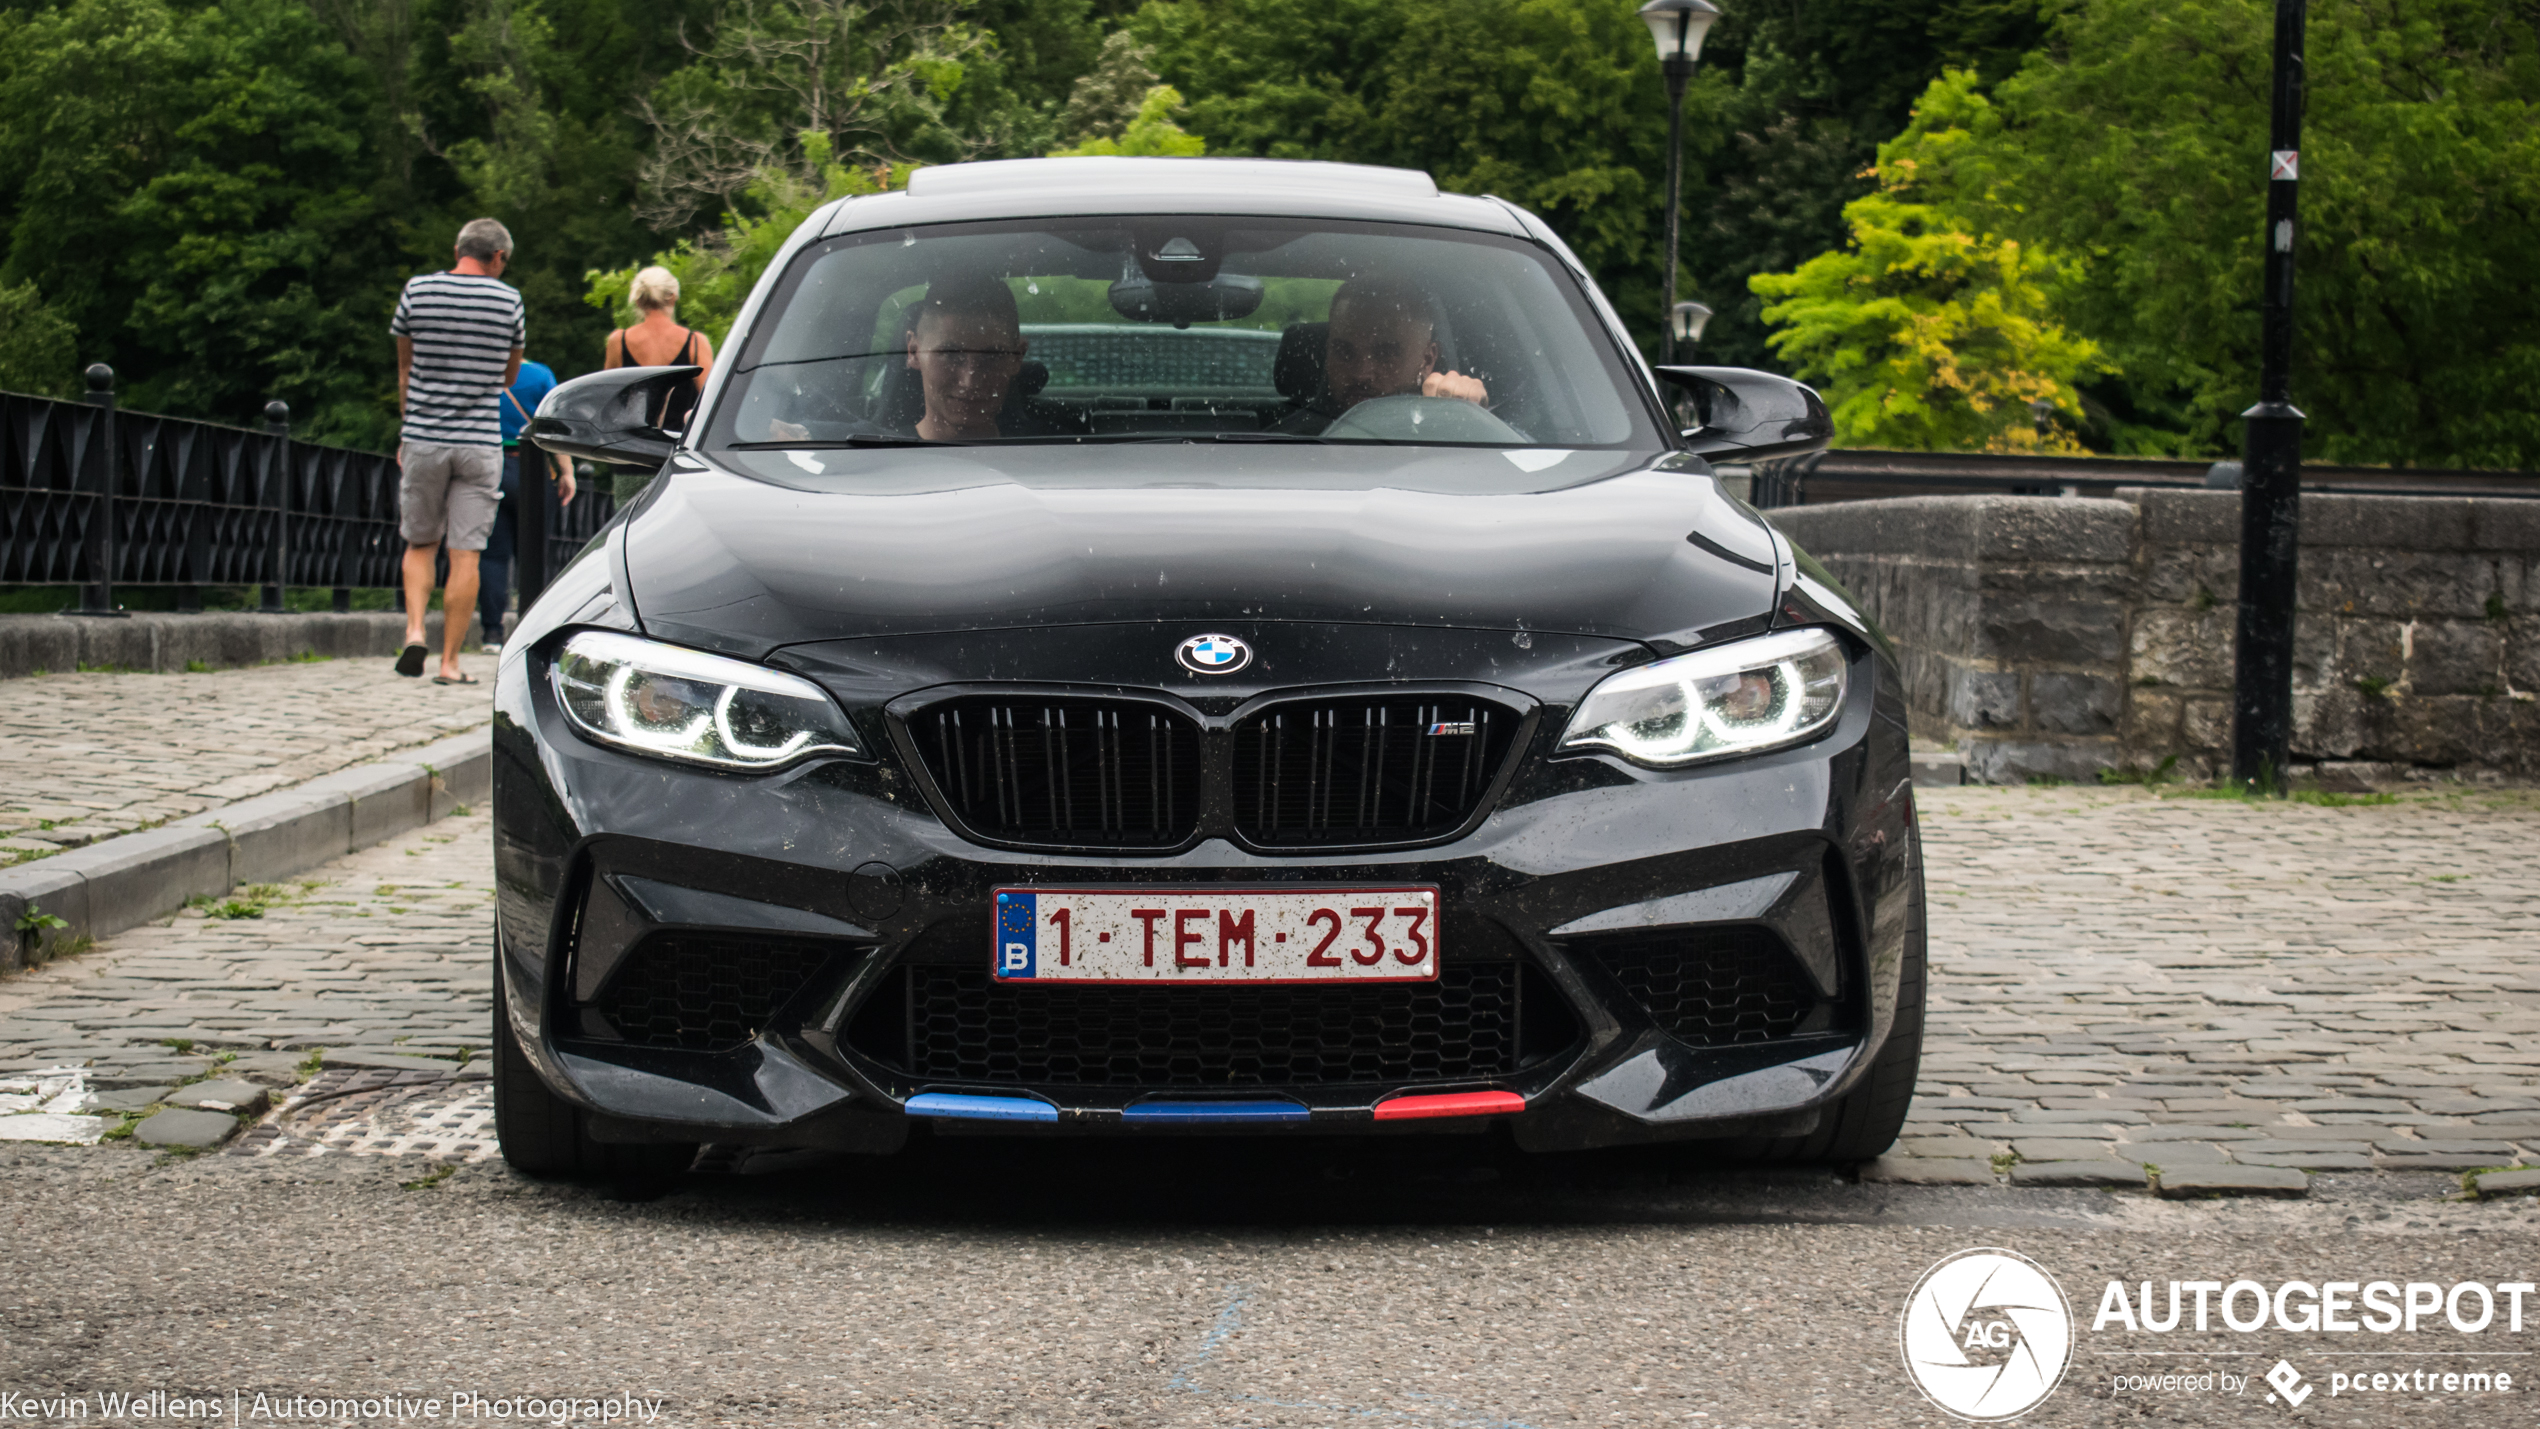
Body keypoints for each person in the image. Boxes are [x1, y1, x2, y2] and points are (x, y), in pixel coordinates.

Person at [391, 217, 524, 685]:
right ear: (499, 258)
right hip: (479, 441)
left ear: (457, 249)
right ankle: (449, 662)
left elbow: (406, 369)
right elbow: (509, 377)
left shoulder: (418, 291)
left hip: (425, 435)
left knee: (420, 542)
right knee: (466, 553)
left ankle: (413, 631)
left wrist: (409, 429)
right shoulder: (509, 300)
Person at [1274, 277, 1488, 434]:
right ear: (1327, 352)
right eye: (1343, 352)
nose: (1361, 374)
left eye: (1386, 354)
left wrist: (1469, 416)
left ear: (1427, 359)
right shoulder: (1282, 445)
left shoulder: (1448, 430)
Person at [480, 359, 579, 651]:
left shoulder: (482, 370)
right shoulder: (539, 375)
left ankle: (492, 634)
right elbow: (555, 426)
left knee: (492, 556)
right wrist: (566, 471)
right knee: (534, 556)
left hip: (488, 466)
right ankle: (531, 631)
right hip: (532, 468)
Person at [603, 266, 713, 504]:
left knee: (629, 534)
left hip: (631, 460)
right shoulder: (695, 343)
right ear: (673, 296)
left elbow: (607, 402)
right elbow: (713, 402)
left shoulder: (618, 342)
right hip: (679, 461)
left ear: (639, 301)